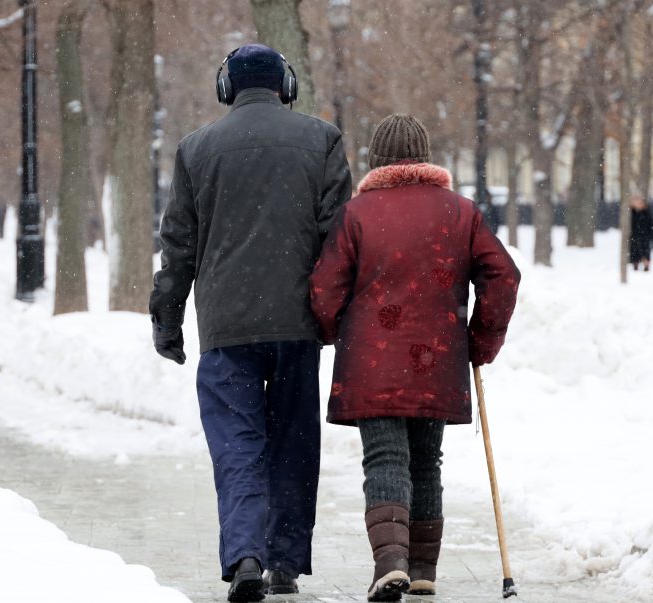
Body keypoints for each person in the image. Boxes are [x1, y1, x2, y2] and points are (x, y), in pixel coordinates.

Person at [149, 44, 351, 602]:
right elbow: (339, 241)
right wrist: (331, 314)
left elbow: (178, 247)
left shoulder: (196, 149)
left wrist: (167, 319)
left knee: (237, 446)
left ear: (226, 88)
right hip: (296, 323)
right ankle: (285, 561)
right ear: (285, 85)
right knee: (293, 440)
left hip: (225, 326)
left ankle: (245, 555)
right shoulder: (323, 139)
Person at [310, 115, 520, 602]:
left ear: (375, 160)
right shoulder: (461, 213)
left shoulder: (357, 214)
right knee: (426, 461)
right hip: (438, 359)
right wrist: (480, 339)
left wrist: (334, 331)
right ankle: (423, 569)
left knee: (385, 458)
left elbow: (324, 289)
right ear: (425, 158)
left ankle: (390, 565)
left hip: (371, 362)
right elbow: (503, 277)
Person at [629, 197, 653, 271]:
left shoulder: (647, 213)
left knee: (645, 252)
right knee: (635, 252)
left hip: (645, 237)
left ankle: (646, 266)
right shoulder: (631, 213)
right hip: (634, 236)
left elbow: (652, 226)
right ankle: (635, 265)